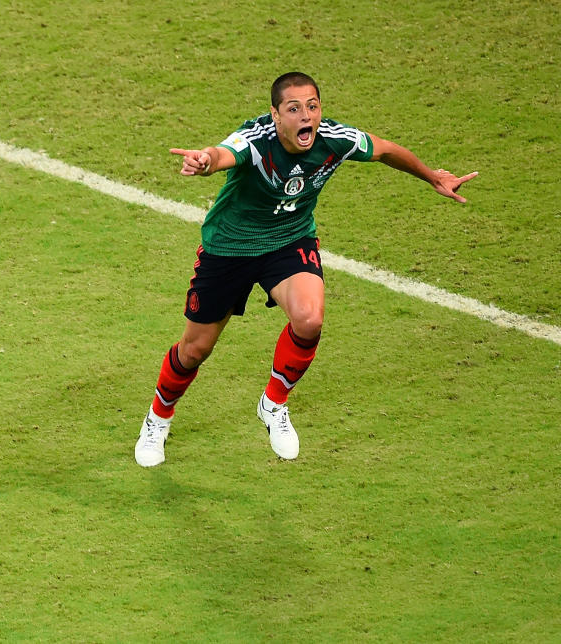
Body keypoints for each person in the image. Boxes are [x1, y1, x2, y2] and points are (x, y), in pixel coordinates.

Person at [135, 72, 477, 467]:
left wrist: (432, 176)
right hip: (229, 248)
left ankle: (273, 404)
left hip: (288, 240)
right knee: (195, 350)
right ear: (275, 115)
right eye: (294, 109)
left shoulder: (336, 138)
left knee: (310, 320)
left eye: (312, 107)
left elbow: (384, 150)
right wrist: (205, 161)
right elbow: (222, 153)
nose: (306, 116)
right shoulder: (255, 139)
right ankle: (158, 418)